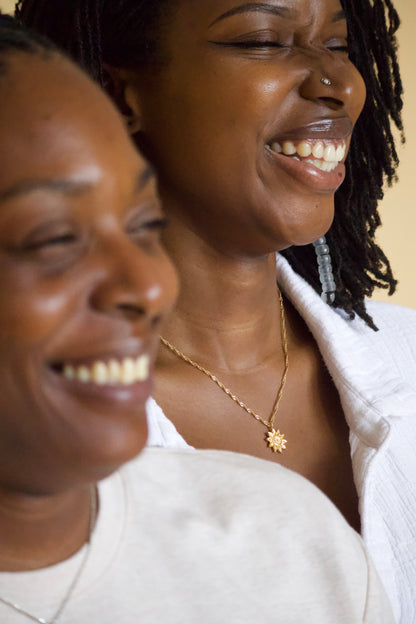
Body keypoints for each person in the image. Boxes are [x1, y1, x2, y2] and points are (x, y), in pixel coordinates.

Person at [14, 0, 416, 621]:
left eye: (336, 46)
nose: (336, 83)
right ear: (118, 93)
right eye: (262, 41)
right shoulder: (41, 421)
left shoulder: (408, 355)